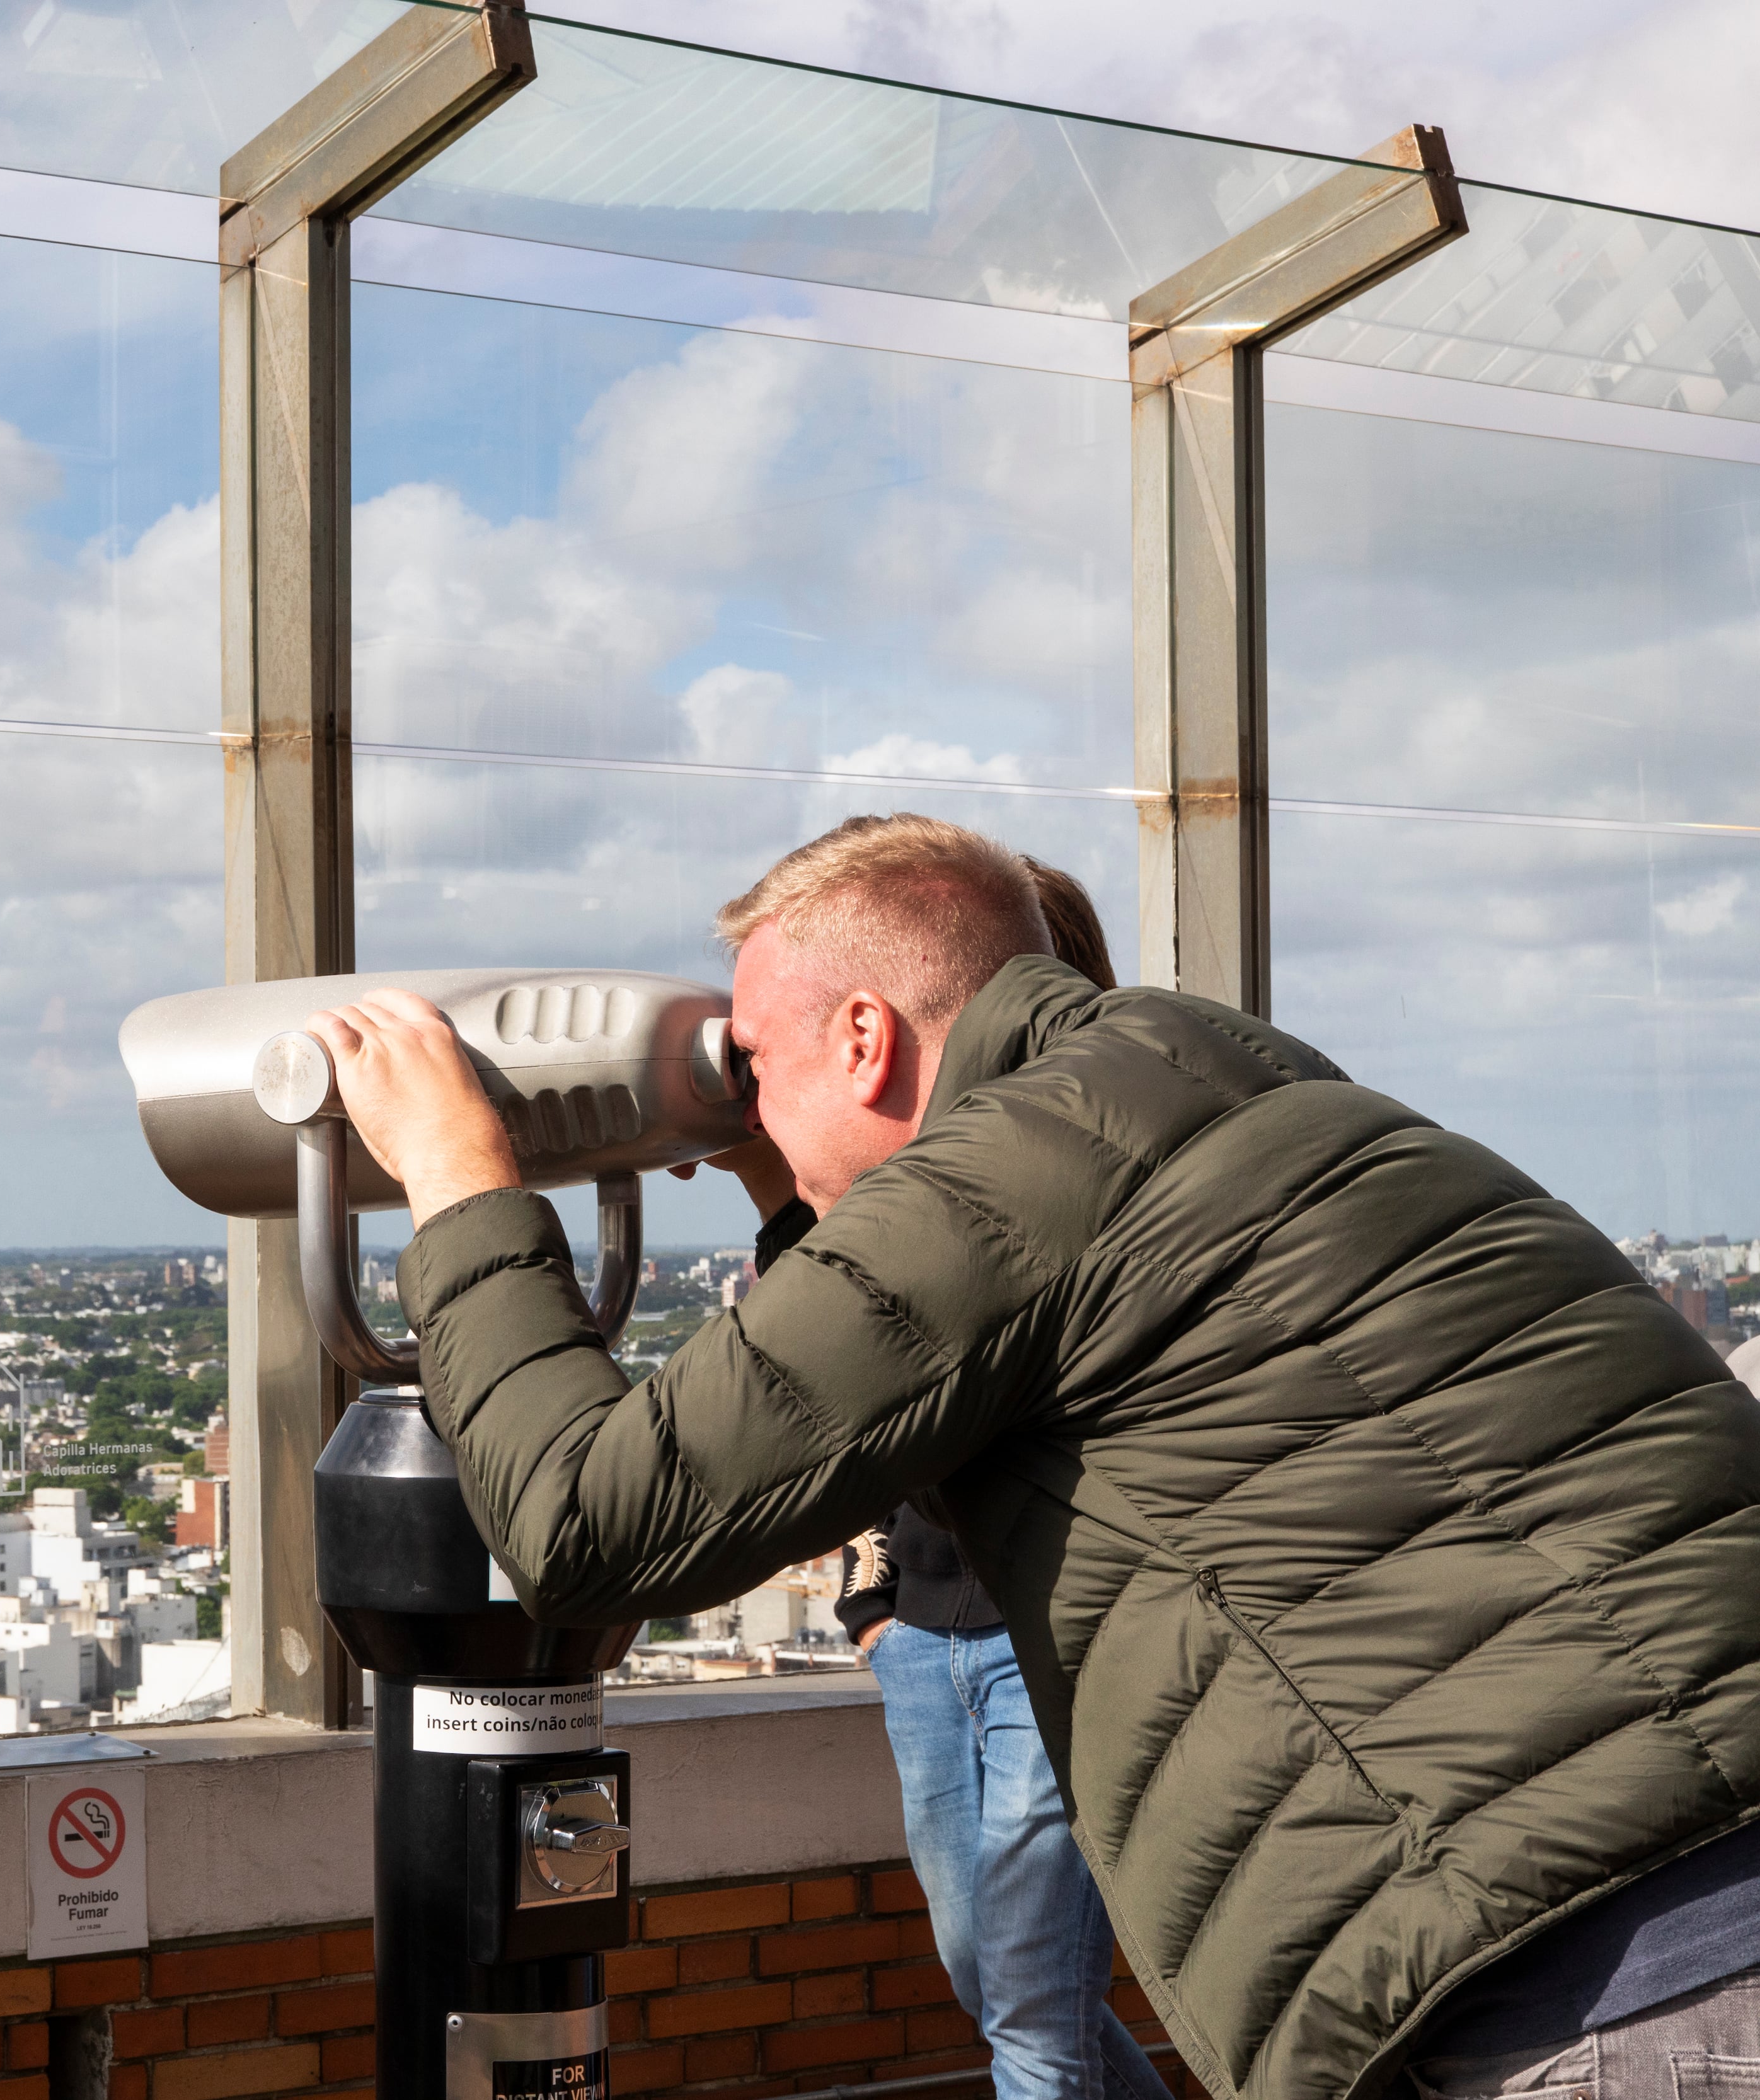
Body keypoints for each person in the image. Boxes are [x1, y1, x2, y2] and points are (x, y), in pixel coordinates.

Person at [306, 813, 1760, 2100]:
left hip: (1600, 1980)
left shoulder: (1015, 1171)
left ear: (865, 1038)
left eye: (751, 1063)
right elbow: (937, 1421)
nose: (739, 1101)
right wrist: (787, 1184)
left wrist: (457, 1174)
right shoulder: (1222, 1088)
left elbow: (584, 1520)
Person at [712, 859, 1161, 2100]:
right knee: (997, 1984)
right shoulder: (894, 1189)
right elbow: (839, 1363)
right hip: (923, 1630)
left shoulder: (1050, 1187)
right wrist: (872, 1607)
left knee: (1031, 2009)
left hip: (1042, 1642)